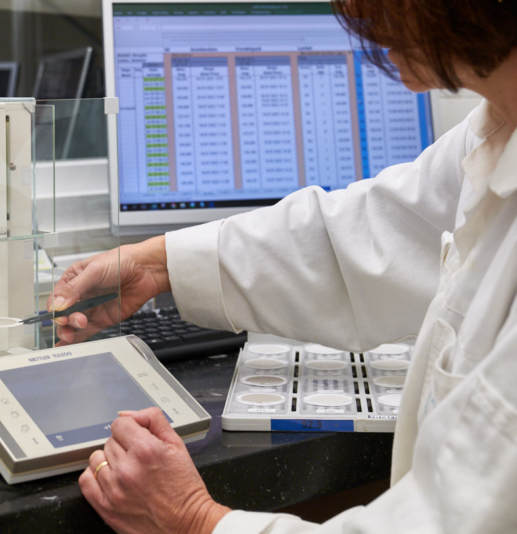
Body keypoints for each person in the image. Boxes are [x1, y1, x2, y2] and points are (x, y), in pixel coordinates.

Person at [50, 0, 517, 532]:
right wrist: (158, 265)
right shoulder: (498, 126)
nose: (366, 29)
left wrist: (194, 520)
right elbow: (378, 230)